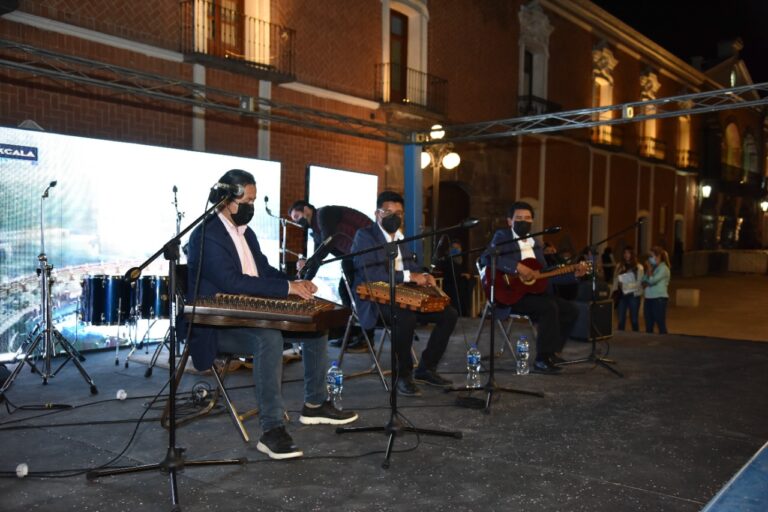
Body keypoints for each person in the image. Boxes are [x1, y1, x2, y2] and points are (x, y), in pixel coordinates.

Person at [186, 169, 358, 460]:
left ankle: (315, 405)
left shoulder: (246, 233)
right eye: (247, 201)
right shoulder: (205, 235)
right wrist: (287, 287)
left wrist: (296, 282)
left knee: (315, 325)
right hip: (220, 323)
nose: (251, 207)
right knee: (269, 338)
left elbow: (262, 271)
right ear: (225, 200)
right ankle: (272, 430)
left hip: (252, 313)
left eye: (253, 200)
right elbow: (232, 282)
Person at [350, 191, 458, 396]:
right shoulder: (365, 236)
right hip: (374, 298)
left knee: (449, 314)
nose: (394, 217)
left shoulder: (400, 239)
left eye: (399, 213)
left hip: (406, 296)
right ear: (377, 213)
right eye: (388, 212)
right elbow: (372, 274)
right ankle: (403, 375)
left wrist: (424, 276)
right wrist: (410, 276)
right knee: (405, 317)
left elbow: (413, 266)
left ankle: (426, 368)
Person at [483, 201, 587, 374]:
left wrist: (573, 274)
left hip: (535, 293)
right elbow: (487, 258)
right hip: (510, 294)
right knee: (548, 307)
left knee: (572, 310)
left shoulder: (536, 244)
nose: (524, 221)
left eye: (528, 218)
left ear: (533, 221)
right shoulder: (502, 236)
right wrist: (517, 267)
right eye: (519, 218)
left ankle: (552, 352)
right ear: (510, 221)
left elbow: (546, 276)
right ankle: (542, 359)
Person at [288, 200, 373, 350]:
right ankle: (350, 334)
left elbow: (329, 241)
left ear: (306, 209)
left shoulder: (324, 214)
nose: (297, 221)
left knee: (359, 293)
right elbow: (317, 258)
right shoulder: (315, 230)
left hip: (369, 251)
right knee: (345, 292)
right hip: (353, 255)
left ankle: (366, 338)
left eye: (297, 216)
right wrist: (303, 281)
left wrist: (309, 266)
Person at [612, 246, 644, 331]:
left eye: (628, 253)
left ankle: (636, 337)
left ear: (632, 254)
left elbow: (639, 283)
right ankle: (621, 338)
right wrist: (614, 292)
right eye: (625, 253)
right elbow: (615, 280)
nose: (626, 255)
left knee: (634, 320)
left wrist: (625, 286)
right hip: (621, 296)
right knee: (621, 320)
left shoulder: (638, 267)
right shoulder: (619, 265)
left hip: (633, 295)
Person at [642, 245, 671, 334]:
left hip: (659, 299)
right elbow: (643, 281)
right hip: (648, 298)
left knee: (660, 323)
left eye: (651, 256)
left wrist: (650, 272)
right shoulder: (653, 268)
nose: (649, 259)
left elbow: (652, 281)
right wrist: (649, 272)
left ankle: (664, 344)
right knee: (649, 325)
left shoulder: (664, 268)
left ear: (658, 256)